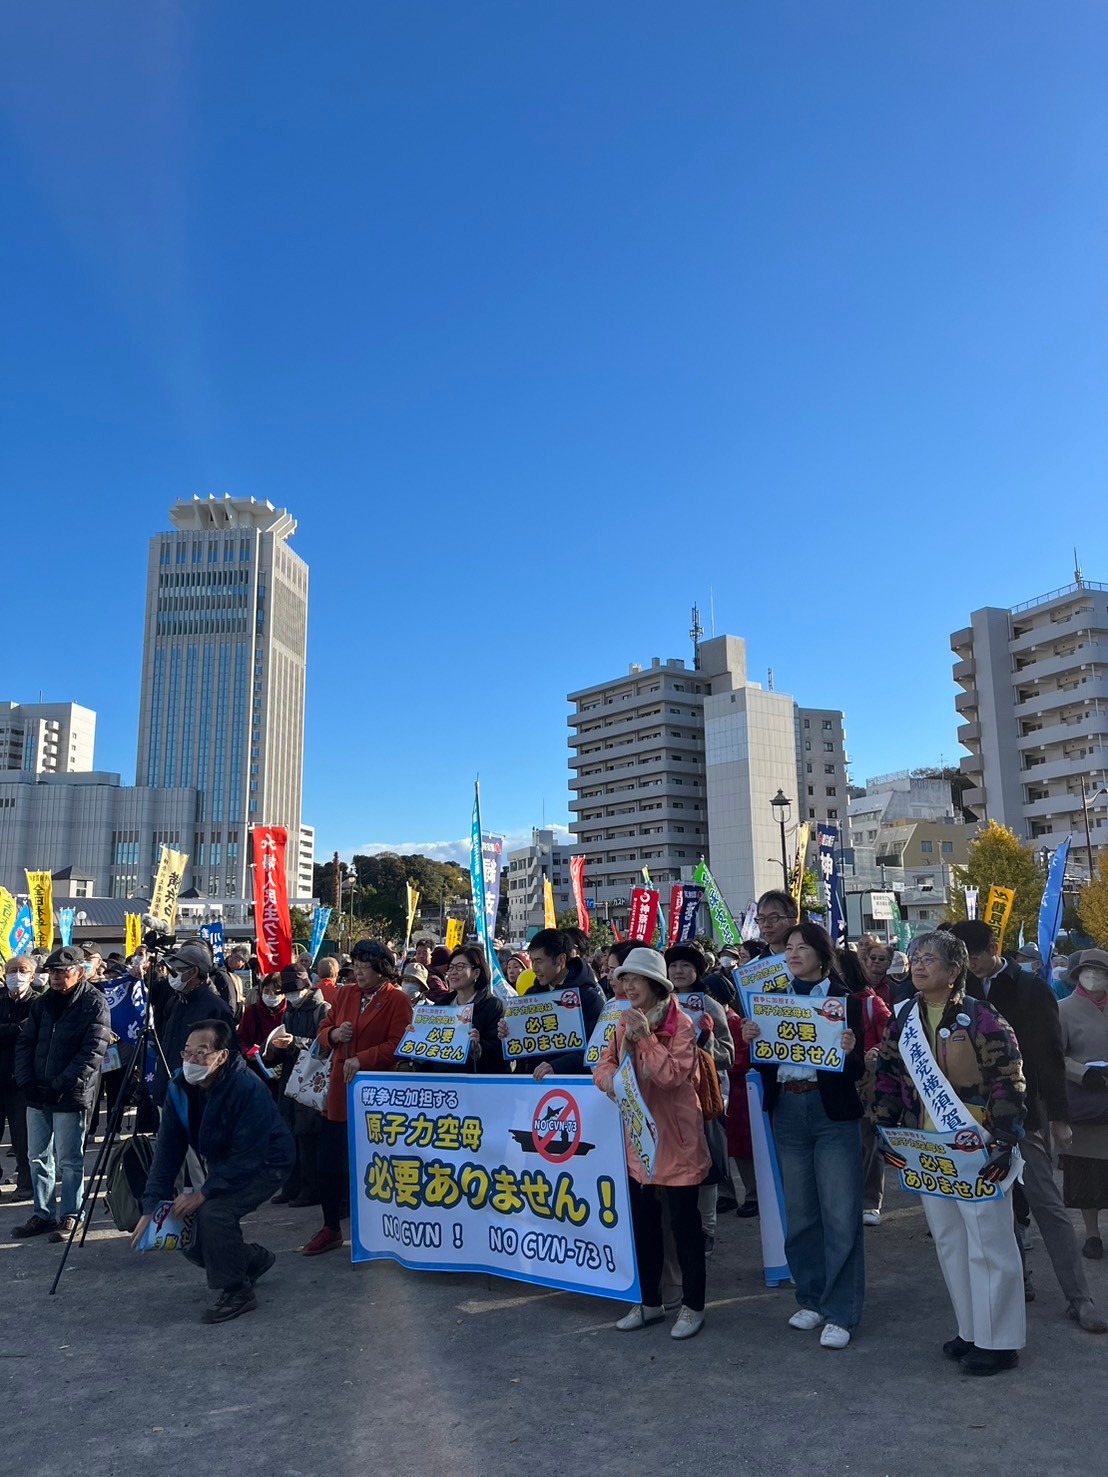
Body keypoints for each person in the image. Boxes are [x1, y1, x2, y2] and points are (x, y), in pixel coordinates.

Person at [874, 930, 1027, 1375]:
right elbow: (886, 1073)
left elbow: (1008, 1078)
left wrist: (1005, 1138)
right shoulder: (902, 1017)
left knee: (989, 1242)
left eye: (930, 959)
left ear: (953, 970)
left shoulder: (981, 1017)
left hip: (976, 1143)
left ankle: (1001, 1341)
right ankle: (971, 1329)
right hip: (926, 1146)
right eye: (916, 958)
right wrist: (884, 1129)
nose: (919, 966)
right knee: (949, 1240)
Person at [948, 920, 1106, 1333]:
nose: (972, 966)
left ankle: (1080, 1297)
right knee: (990, 1207)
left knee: (1046, 1205)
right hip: (968, 1113)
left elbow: (1051, 1056)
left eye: (976, 956)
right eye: (964, 960)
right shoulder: (954, 990)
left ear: (994, 947)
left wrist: (1058, 1116)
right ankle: (1015, 1282)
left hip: (1024, 1112)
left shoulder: (1030, 988)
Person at [742, 922, 865, 1349]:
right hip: (788, 1112)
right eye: (788, 947)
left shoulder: (844, 1000)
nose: (793, 953)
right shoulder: (770, 1001)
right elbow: (762, 1064)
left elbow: (857, 1070)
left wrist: (850, 1050)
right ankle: (811, 1297)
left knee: (840, 1214)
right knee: (800, 1214)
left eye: (802, 947)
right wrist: (751, 1041)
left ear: (821, 953)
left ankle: (841, 1311)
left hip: (832, 1114)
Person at [132, 1020, 295, 1323]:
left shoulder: (247, 1087)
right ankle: (252, 1260)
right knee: (188, 1233)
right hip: (226, 1164)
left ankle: (237, 1290)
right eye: (187, 1053)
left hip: (266, 1162)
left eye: (201, 1053)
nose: (192, 1060)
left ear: (221, 1055)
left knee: (214, 1214)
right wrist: (151, 1205)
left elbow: (248, 1156)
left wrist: (204, 1193)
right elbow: (168, 1150)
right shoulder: (179, 1086)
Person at [592, 946, 709, 1340]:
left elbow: (671, 1077)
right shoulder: (623, 1022)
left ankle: (693, 1306)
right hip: (639, 1142)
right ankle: (649, 1303)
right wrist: (613, 1084)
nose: (627, 985)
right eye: (623, 978)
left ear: (655, 985)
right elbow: (605, 1063)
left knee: (684, 1226)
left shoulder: (684, 1025)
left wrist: (645, 1040)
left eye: (634, 978)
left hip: (677, 1140)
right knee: (643, 1225)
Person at [302, 939, 412, 1257]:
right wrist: (334, 1035)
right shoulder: (345, 993)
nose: (359, 974)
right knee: (330, 1161)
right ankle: (330, 1227)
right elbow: (324, 1027)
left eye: (366, 968)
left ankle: (385, 1227)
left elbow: (399, 1044)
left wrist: (363, 1058)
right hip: (339, 1089)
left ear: (382, 970)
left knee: (376, 1162)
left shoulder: (397, 1000)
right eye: (356, 968)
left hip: (377, 1095)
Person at [13, 945, 111, 1242]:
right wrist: (26, 1079)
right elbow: (26, 1042)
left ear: (79, 972)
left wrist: (63, 1083)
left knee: (69, 1159)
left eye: (62, 972)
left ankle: (72, 1214)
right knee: (37, 1157)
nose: (55, 978)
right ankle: (43, 1213)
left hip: (70, 1094)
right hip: (37, 1093)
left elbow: (92, 1052)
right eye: (52, 972)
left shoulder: (94, 1003)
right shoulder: (42, 1004)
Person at [496, 928, 604, 1081]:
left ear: (560, 960)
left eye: (539, 961)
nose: (534, 969)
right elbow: (519, 1049)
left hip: (574, 1090)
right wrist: (508, 1033)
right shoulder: (530, 996)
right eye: (532, 961)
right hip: (533, 1087)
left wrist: (558, 1066)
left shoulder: (588, 998)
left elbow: (597, 1050)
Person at [1057, 950, 1108, 1263]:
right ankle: (1092, 1233)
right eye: (1087, 971)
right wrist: (1083, 1072)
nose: (1094, 976)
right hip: (1085, 1098)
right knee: (1089, 1173)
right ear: (1076, 975)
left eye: (1100, 971)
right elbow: (1054, 1055)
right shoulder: (1062, 1009)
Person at [838, 947, 892, 1226]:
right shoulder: (822, 1000)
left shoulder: (870, 1002)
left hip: (867, 1081)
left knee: (869, 1143)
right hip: (837, 1078)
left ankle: (871, 1202)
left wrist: (874, 1053)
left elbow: (891, 1036)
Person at [267, 963, 330, 1207]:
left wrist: (296, 1042)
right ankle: (290, 1186)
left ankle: (309, 1189)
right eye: (287, 991)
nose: (291, 995)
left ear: (306, 986)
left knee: (308, 1135)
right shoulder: (289, 1011)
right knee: (287, 1132)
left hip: (312, 1077)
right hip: (290, 1078)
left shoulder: (322, 1009)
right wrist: (274, 1049)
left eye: (294, 990)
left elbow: (324, 1045)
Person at [154, 942, 237, 1105]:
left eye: (178, 970)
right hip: (169, 1086)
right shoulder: (175, 1001)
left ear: (193, 972)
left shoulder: (216, 1008)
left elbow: (230, 1054)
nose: (173, 974)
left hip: (199, 1094)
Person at [0, 954, 46, 1198]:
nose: (16, 975)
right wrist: (17, 1028)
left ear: (32, 975)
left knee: (23, 1137)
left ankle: (25, 1183)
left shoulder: (39, 1003)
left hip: (23, 1080)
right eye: (12, 970)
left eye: (22, 970)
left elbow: (37, 1036)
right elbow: (23, 1032)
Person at [435, 946, 507, 1072]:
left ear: (476, 973)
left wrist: (479, 1047)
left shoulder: (493, 1006)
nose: (453, 972)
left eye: (460, 967)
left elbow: (500, 1050)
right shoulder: (441, 1006)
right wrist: (416, 1033)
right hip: (443, 1082)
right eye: (450, 967)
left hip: (476, 1083)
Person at [238, 972, 288, 1055]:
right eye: (267, 990)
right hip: (255, 1061)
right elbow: (240, 1038)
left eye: (276, 992)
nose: (270, 995)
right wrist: (247, 1051)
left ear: (284, 994)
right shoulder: (251, 1011)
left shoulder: (290, 1012)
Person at [754, 890, 799, 954]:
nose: (766, 924)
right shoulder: (757, 963)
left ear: (793, 921)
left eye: (773, 917)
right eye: (761, 918)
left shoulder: (812, 961)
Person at [859, 941, 895, 1009]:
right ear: (867, 960)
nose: (876, 961)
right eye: (873, 958)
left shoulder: (894, 990)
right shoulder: (855, 985)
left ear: (889, 964)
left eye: (881, 959)